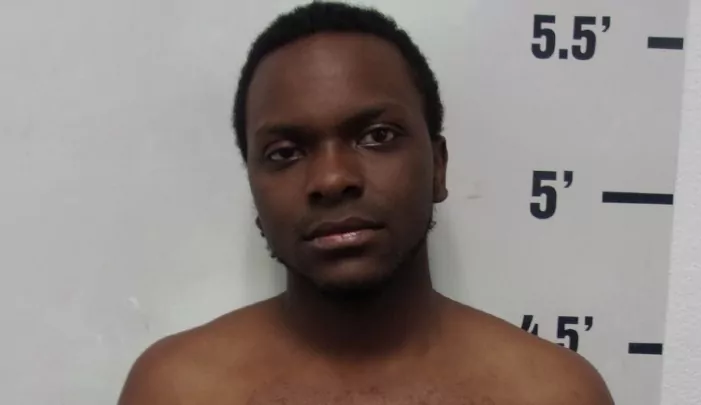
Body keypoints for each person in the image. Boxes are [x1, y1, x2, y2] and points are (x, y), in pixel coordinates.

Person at [118, 2, 614, 404]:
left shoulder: (553, 393)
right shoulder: (175, 390)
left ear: (438, 167)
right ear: (253, 187)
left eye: (377, 136)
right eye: (285, 152)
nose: (332, 179)